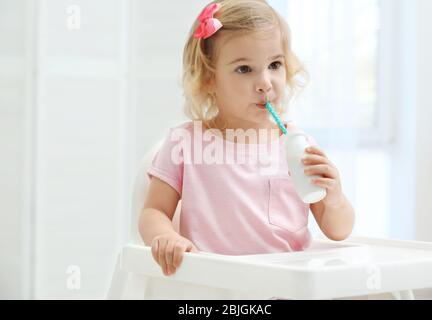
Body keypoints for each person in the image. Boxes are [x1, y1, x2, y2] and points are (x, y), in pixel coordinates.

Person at [139, 0, 355, 278]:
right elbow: (153, 211)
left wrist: (334, 198)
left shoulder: (299, 145)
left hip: (287, 287)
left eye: (275, 64)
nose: (266, 81)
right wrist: (166, 237)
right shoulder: (185, 143)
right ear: (208, 78)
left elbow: (338, 230)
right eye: (244, 69)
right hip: (213, 287)